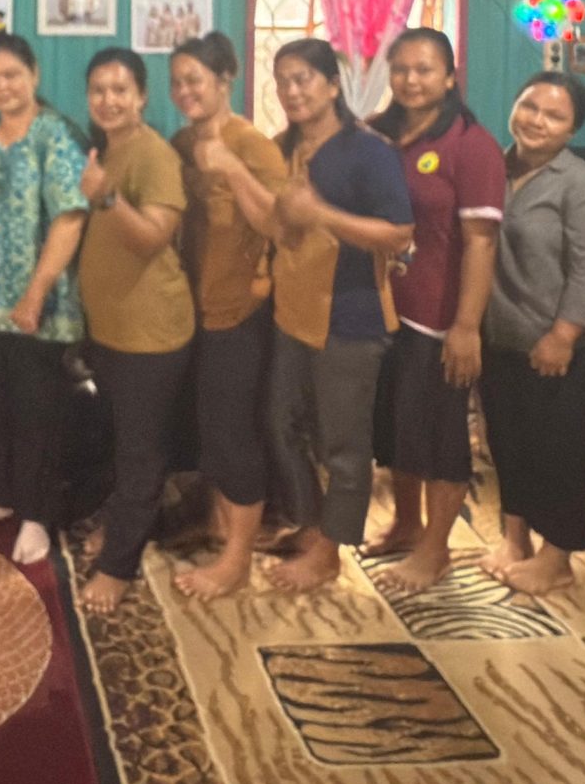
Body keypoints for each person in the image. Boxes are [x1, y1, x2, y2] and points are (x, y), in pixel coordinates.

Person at [264, 39, 416, 593]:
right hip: (290, 311)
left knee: (343, 445)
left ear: (333, 85)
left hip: (351, 317)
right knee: (280, 424)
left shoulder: (368, 151)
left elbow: (398, 234)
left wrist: (321, 213)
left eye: (303, 78)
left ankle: (330, 551)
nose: (292, 90)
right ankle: (312, 526)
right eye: (283, 80)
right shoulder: (282, 148)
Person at [365, 29, 505, 595]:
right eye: (400, 69)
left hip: (439, 316)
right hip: (383, 309)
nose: (410, 80)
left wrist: (465, 327)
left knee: (440, 434)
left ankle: (435, 549)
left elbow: (481, 243)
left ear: (449, 77)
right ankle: (405, 523)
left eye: (424, 69)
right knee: (398, 427)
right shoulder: (379, 136)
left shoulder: (471, 145)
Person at [477, 70, 585, 598]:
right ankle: (514, 540)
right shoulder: (493, 168)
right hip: (502, 336)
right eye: (529, 106)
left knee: (559, 451)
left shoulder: (584, 188)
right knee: (508, 442)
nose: (537, 120)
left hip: (566, 345)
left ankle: (557, 558)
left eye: (554, 115)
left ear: (573, 129)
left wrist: (563, 335)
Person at [0, 31, 89, 568]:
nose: (1, 86)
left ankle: (36, 513)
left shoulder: (54, 135)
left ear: (34, 75)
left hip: (36, 305)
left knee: (36, 413)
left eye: (11, 75)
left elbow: (70, 219)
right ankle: (4, 496)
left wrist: (35, 294)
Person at [165, 33, 288, 602]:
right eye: (176, 82)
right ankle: (217, 526)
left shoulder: (253, 145)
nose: (184, 91)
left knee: (233, 432)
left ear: (224, 80)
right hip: (186, 311)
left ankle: (237, 559)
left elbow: (280, 227)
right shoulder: (179, 143)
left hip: (239, 312)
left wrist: (233, 170)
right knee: (206, 430)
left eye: (194, 80)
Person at [74, 49, 193, 616]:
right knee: (121, 443)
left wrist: (106, 195)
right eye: (98, 90)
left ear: (142, 97)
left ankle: (119, 567)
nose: (109, 100)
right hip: (110, 330)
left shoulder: (154, 154)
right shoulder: (105, 152)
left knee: (142, 453)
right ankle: (123, 525)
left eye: (120, 90)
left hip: (151, 332)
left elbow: (151, 238)